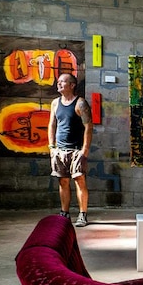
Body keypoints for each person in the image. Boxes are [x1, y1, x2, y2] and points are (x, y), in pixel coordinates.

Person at [48, 73, 92, 227]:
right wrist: (52, 147)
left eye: (62, 82)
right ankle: (64, 213)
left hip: (76, 150)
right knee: (63, 182)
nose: (58, 84)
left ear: (72, 85)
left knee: (80, 181)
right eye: (58, 81)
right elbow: (52, 125)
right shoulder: (55, 103)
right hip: (59, 150)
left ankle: (82, 214)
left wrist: (84, 150)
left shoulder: (80, 103)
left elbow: (88, 127)